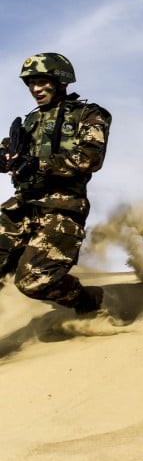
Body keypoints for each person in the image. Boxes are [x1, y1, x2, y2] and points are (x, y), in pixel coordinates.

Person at [0, 53, 110, 316]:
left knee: (32, 280)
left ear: (60, 80)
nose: (34, 89)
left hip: (62, 210)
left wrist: (38, 164)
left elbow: (89, 158)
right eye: (30, 83)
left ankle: (87, 300)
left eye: (40, 81)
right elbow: (9, 150)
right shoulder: (29, 122)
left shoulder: (89, 115)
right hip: (21, 207)